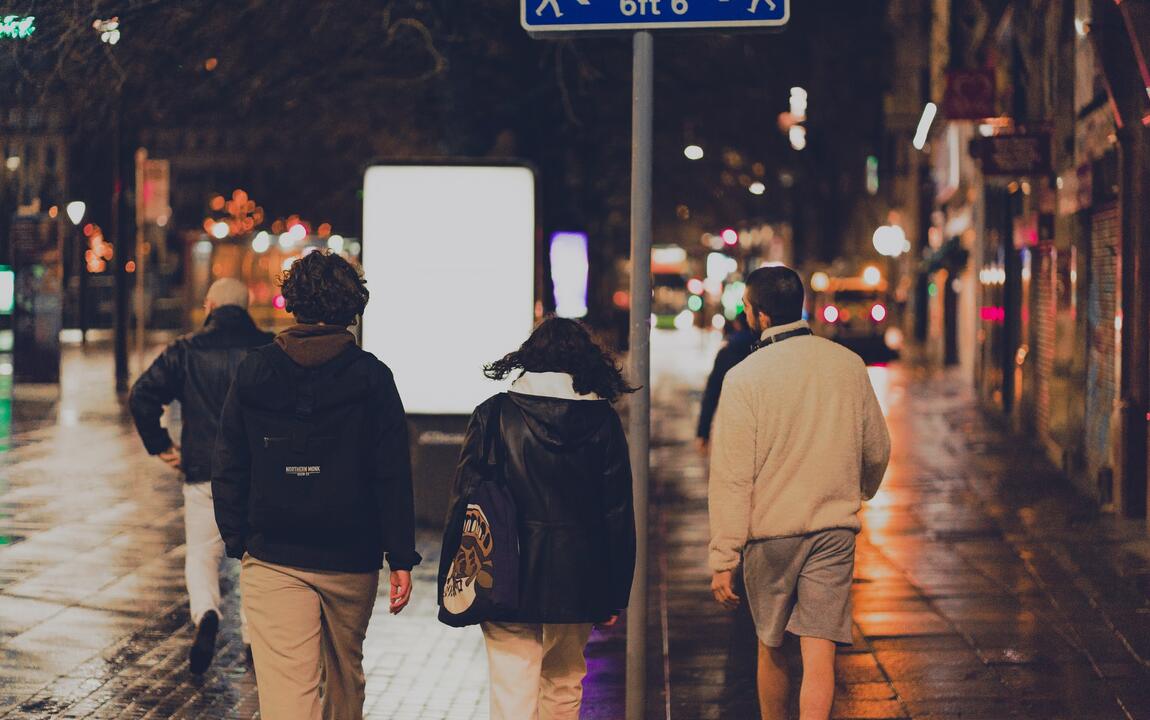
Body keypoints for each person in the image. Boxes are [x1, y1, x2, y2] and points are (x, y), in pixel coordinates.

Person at [212, 251, 419, 720]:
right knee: (345, 677)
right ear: (351, 307)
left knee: (288, 693)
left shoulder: (255, 370)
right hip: (351, 556)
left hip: (274, 556)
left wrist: (240, 539)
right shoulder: (372, 377)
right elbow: (391, 472)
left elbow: (228, 462)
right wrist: (400, 556)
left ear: (294, 302)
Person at [708, 266, 890, 720]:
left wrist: (724, 557)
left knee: (770, 646)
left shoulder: (745, 378)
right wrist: (861, 488)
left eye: (747, 308)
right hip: (834, 530)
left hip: (771, 534)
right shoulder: (846, 364)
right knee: (820, 652)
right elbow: (878, 447)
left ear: (760, 314)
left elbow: (732, 476)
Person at [441, 317, 637, 720]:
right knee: (564, 684)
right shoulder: (603, 421)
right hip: (579, 576)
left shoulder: (493, 415)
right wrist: (616, 591)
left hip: (503, 572)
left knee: (513, 690)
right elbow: (617, 511)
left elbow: (464, 502)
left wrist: (451, 575)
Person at [128, 277, 273, 673]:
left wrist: (161, 445)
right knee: (254, 558)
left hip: (203, 471)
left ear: (209, 305)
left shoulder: (186, 351)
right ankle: (252, 639)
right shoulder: (269, 349)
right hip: (257, 474)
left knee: (202, 552)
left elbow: (142, 394)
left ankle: (207, 612)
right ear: (246, 307)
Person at [696, 312, 757, 452]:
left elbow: (711, 395)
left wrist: (703, 432)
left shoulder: (727, 352)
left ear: (737, 325)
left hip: (733, 424)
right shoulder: (764, 350)